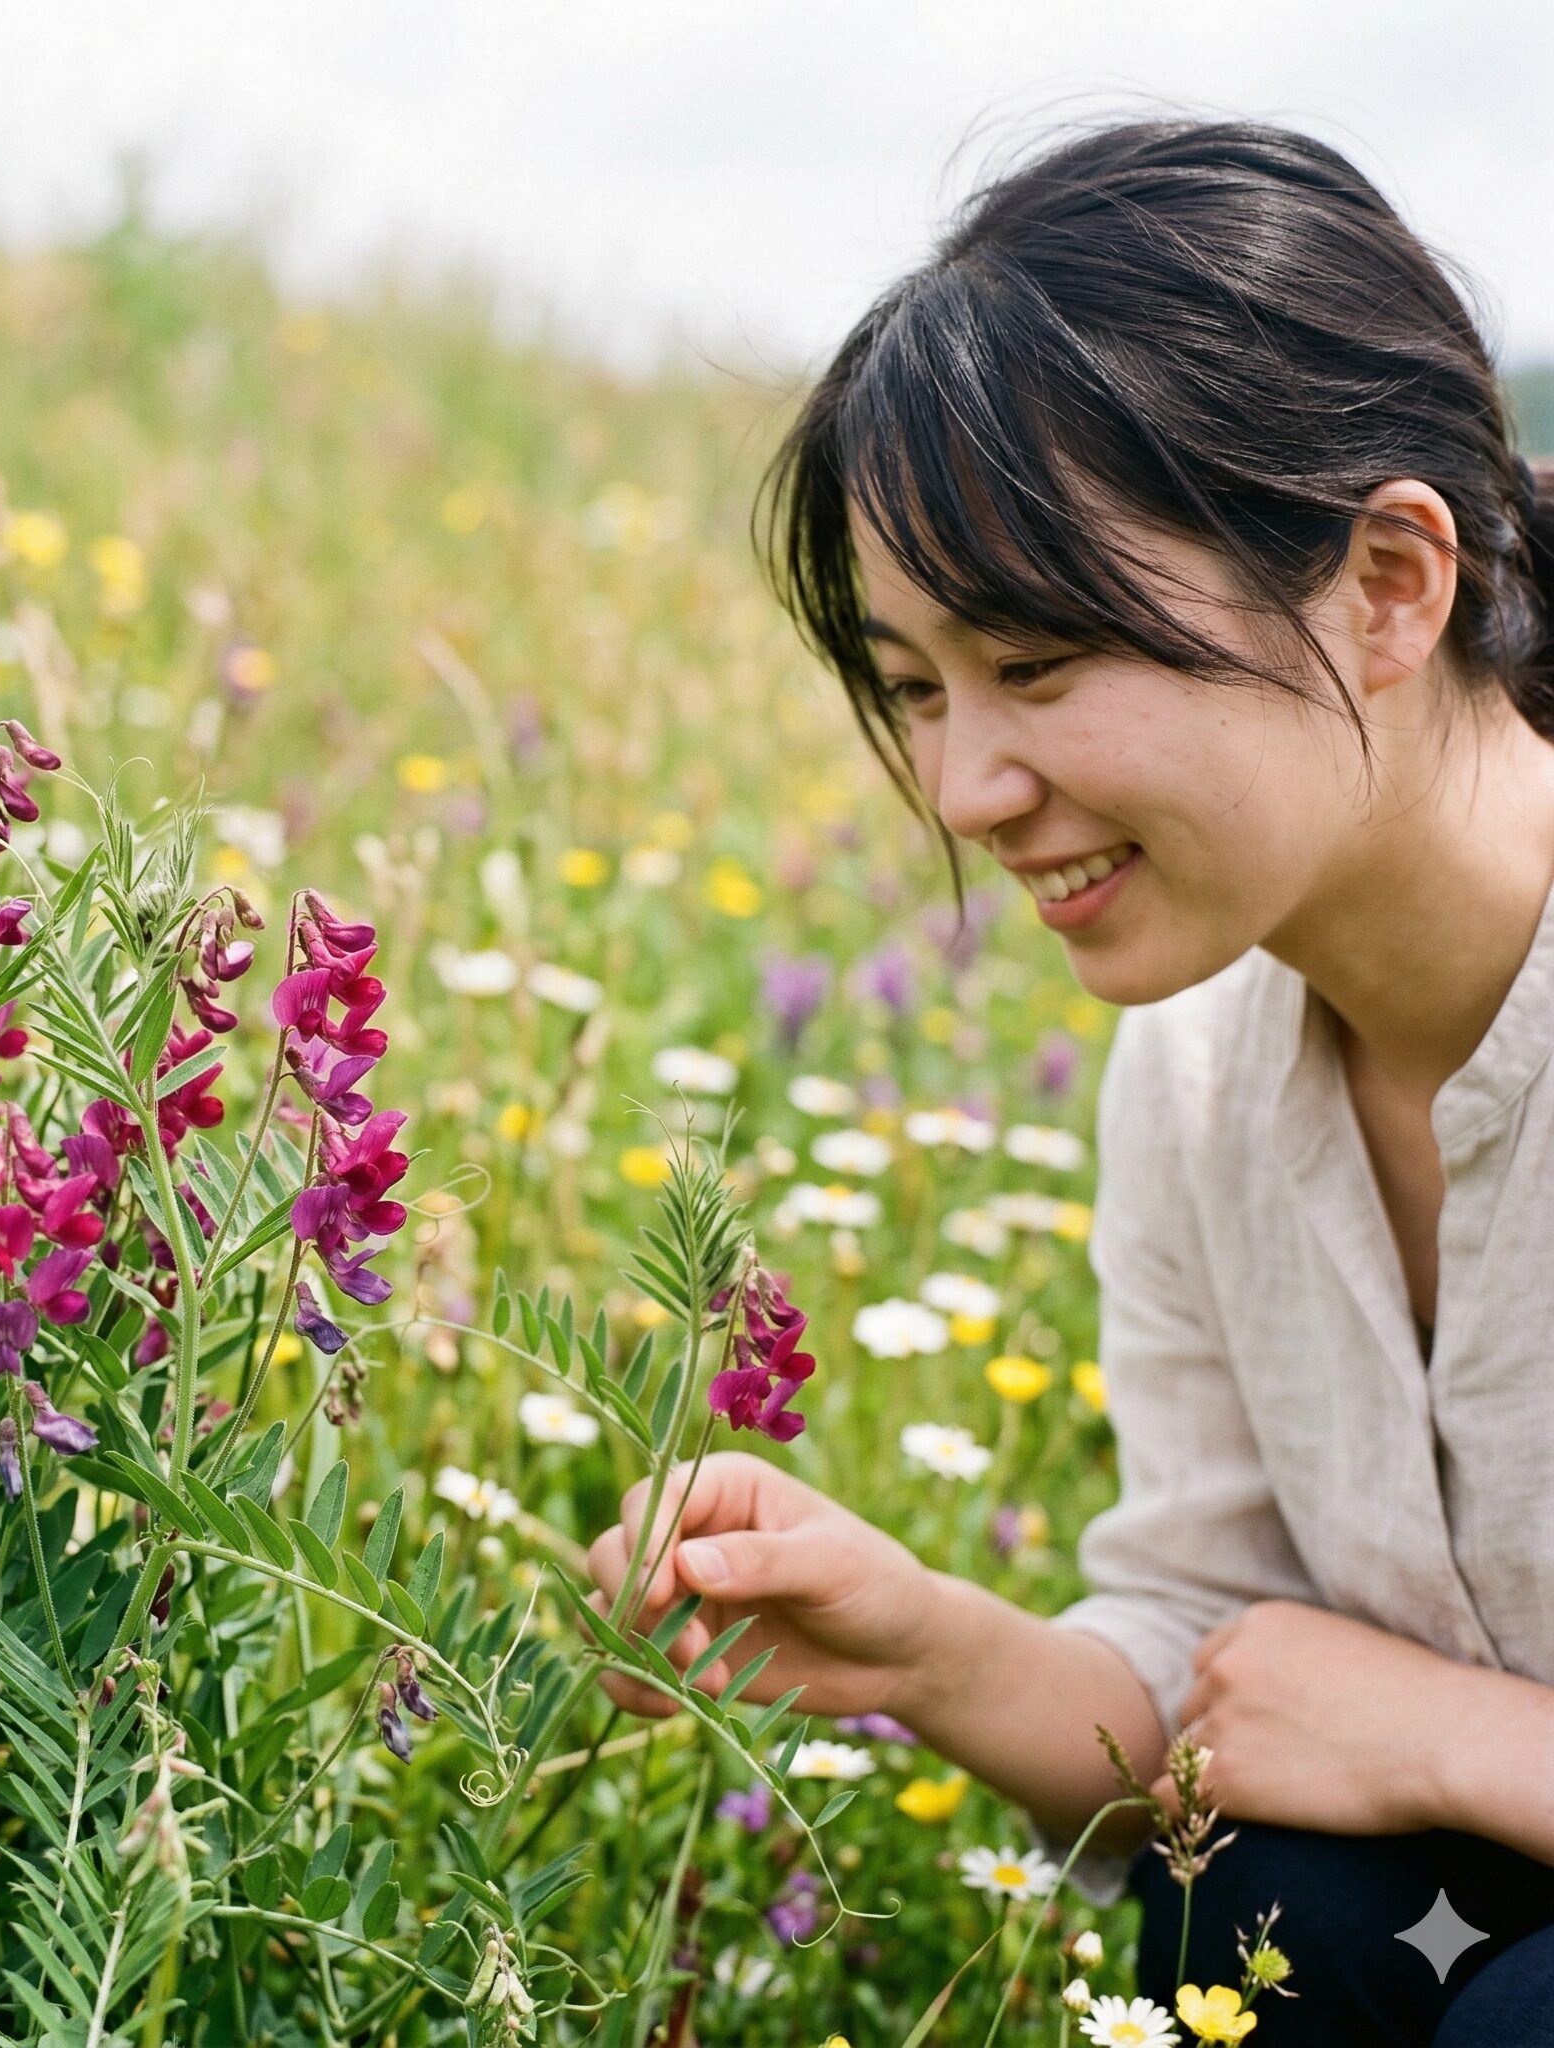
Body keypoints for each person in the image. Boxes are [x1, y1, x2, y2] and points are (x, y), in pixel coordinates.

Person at [585, 118, 1554, 2046]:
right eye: (918, 688)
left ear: (1388, 583)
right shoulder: (1196, 1073)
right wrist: (919, 1648)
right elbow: (1231, 1681)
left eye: (1035, 662)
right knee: (1259, 1909)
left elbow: (1369, 1725)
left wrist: (1462, 1740)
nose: (964, 789)